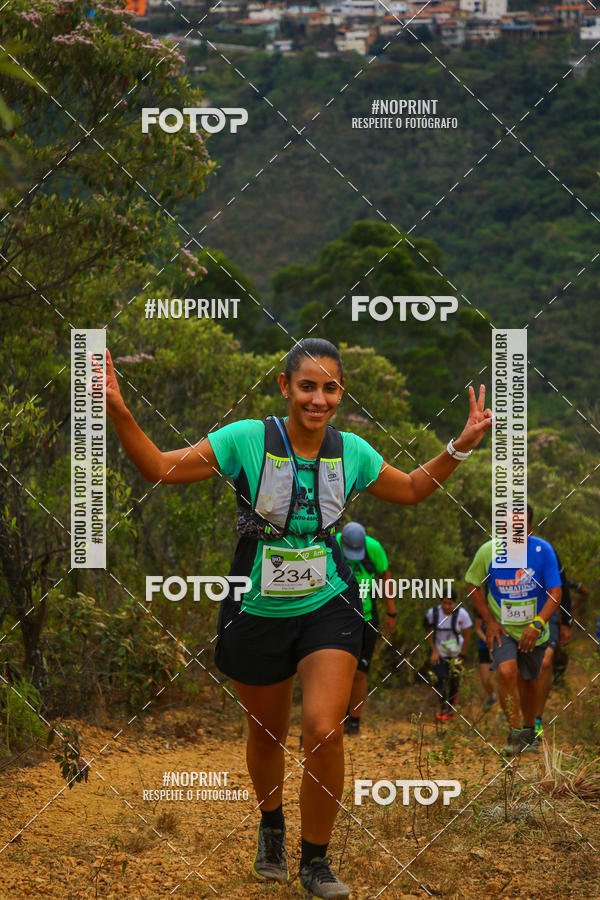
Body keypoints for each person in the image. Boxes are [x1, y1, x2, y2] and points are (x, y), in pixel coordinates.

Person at [100, 337, 492, 899]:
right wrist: (118, 407)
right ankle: (271, 825)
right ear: (286, 387)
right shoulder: (247, 440)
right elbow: (161, 469)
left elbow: (408, 489)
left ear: (341, 391)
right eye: (307, 386)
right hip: (256, 608)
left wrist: (459, 446)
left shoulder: (350, 451)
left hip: (328, 604)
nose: (318, 398)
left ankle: (316, 862)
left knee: (323, 729)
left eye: (330, 387)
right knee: (266, 732)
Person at [465, 504, 562, 755]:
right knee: (507, 673)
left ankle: (529, 730)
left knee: (530, 681)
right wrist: (489, 620)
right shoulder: (488, 552)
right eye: (506, 526)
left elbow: (555, 593)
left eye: (518, 527)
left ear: (530, 528)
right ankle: (515, 732)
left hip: (535, 629)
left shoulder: (543, 551)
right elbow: (472, 584)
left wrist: (538, 623)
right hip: (502, 629)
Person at [335, 521, 396, 735]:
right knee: (337, 669)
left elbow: (385, 576)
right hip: (336, 618)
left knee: (360, 672)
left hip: (366, 617)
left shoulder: (373, 548)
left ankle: (354, 721)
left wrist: (391, 611)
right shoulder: (332, 544)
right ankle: (337, 717)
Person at [534, 542, 572, 736]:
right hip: (521, 620)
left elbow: (563, 589)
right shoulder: (504, 554)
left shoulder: (547, 551)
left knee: (546, 661)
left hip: (551, 618)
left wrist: (566, 622)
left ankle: (536, 720)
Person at [424, 589, 472, 721]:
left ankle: (450, 710)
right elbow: (427, 630)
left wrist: (462, 655)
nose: (447, 606)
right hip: (439, 652)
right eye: (444, 603)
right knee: (440, 679)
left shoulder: (462, 615)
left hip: (456, 653)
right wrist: (434, 650)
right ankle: (443, 709)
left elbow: (467, 635)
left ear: (455, 603)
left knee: (454, 682)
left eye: (450, 603)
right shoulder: (433, 613)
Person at [473, 614, 498, 713]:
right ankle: (493, 696)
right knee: (485, 679)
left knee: (503, 677)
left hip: (502, 646)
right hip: (484, 647)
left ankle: (504, 708)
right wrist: (487, 641)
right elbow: (477, 629)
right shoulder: (480, 609)